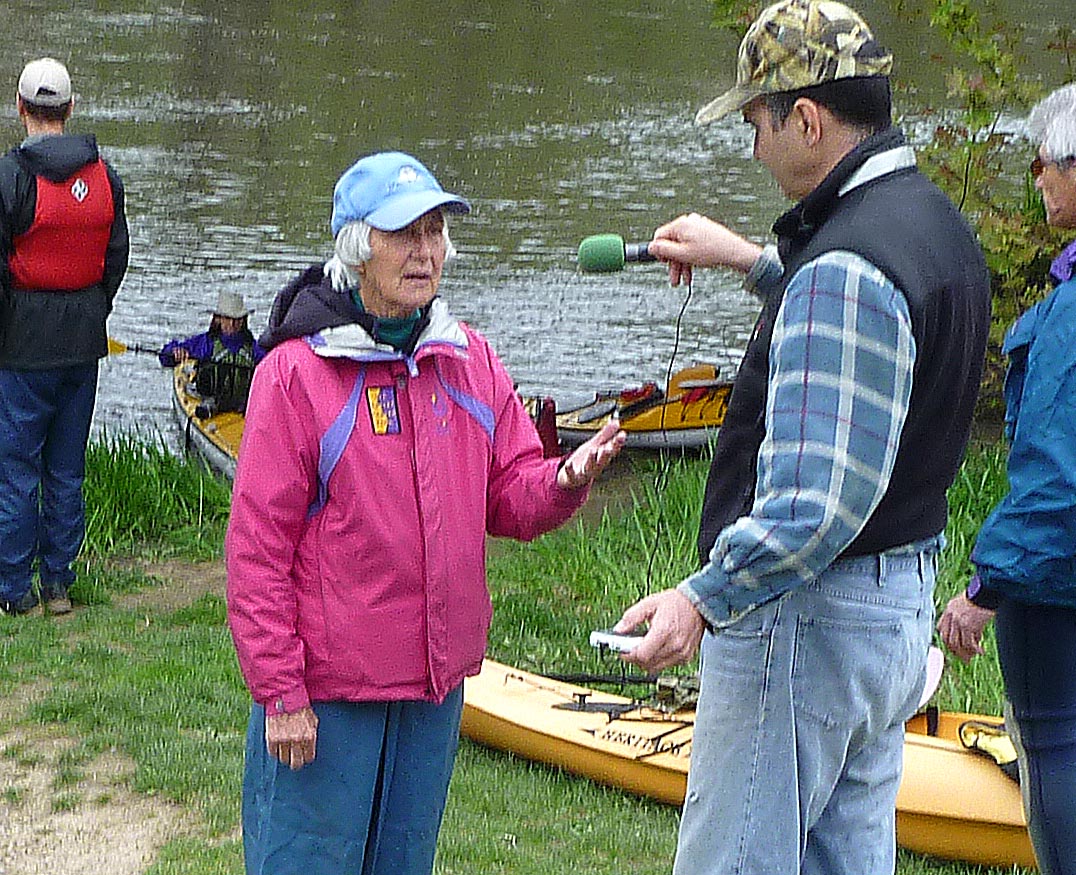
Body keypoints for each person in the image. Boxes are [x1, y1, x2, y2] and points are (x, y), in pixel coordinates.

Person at [608, 2, 992, 873]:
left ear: (807, 119)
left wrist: (702, 597)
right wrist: (751, 261)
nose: (753, 146)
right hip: (892, 615)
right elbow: (873, 341)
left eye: (756, 122)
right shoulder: (933, 226)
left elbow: (815, 505)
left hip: (809, 621)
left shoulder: (846, 268)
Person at [225, 150, 625, 875]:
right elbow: (257, 550)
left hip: (433, 685)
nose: (426, 251)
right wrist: (280, 689)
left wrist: (564, 478)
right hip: (328, 694)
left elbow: (508, 494)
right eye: (405, 233)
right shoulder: (295, 374)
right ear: (357, 248)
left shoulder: (468, 359)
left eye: (436, 231)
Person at [938, 83, 1076, 875]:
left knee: (1055, 745)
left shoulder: (1069, 314)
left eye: (1045, 163)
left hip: (1058, 596)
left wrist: (984, 588)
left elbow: (1056, 481)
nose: (1036, 178)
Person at [0, 58, 129, 617]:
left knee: (16, 467)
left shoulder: (9, 177)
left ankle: (13, 589)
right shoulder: (106, 177)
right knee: (65, 468)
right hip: (82, 346)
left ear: (21, 108)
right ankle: (57, 585)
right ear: (70, 109)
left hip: (22, 348)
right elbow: (115, 257)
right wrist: (93, 309)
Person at [159, 290, 266, 414]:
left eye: (237, 319)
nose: (232, 324)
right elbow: (165, 357)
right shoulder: (206, 343)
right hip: (208, 405)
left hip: (242, 410)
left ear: (243, 321)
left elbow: (271, 368)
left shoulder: (254, 349)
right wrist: (174, 352)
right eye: (227, 319)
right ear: (218, 319)